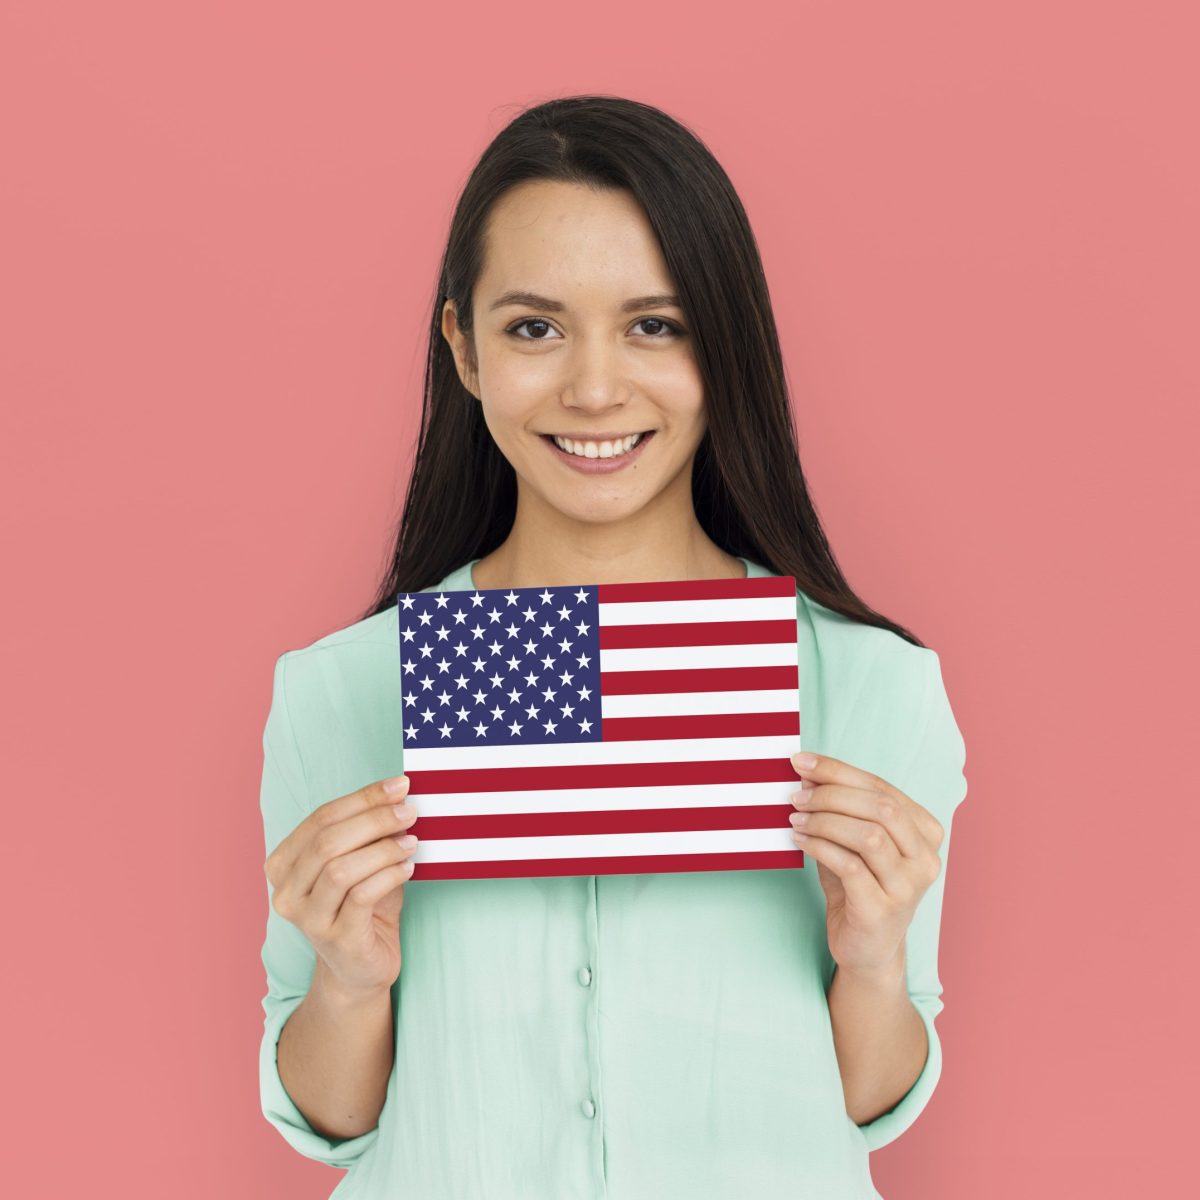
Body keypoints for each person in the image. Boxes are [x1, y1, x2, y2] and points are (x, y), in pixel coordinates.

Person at [257, 94, 969, 1200]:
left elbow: (869, 1109)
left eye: (657, 324)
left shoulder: (875, 689)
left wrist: (874, 960)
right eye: (534, 327)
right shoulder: (341, 693)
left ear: (724, 345)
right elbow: (332, 1121)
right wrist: (349, 984)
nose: (595, 388)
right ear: (463, 344)